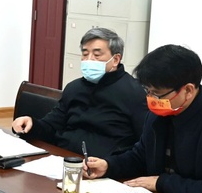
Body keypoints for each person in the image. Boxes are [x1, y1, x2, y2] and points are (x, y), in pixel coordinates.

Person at [85, 45, 202, 193]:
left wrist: (161, 183)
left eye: (157, 94)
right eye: (148, 91)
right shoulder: (158, 115)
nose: (151, 99)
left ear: (188, 90)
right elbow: (140, 157)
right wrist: (108, 166)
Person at [12, 28, 147, 157]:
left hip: (106, 166)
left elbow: (143, 144)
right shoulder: (74, 88)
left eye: (97, 55)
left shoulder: (134, 92)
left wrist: (111, 165)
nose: (89, 59)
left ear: (116, 59)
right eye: (85, 54)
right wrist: (31, 124)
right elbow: (51, 126)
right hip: (63, 157)